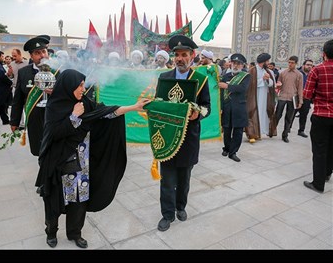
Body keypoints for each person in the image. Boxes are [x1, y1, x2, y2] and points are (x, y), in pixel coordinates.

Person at [35, 69, 150, 248]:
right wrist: (73, 116)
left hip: (81, 166)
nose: (83, 88)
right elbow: (53, 134)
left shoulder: (85, 103)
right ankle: (51, 232)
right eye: (79, 85)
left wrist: (133, 107)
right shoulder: (54, 106)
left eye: (83, 84)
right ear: (68, 85)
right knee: (53, 201)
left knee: (79, 200)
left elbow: (106, 113)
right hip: (58, 164)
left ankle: (75, 233)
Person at [156, 35, 211, 232]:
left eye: (184, 55)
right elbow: (158, 103)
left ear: (192, 56)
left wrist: (198, 114)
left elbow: (207, 107)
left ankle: (181, 207)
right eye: (177, 55)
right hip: (168, 136)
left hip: (189, 138)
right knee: (167, 180)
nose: (180, 58)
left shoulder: (201, 80)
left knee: (184, 179)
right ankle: (167, 214)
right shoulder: (164, 78)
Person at [10, 36, 50, 156]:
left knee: (54, 151)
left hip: (54, 119)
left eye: (44, 51)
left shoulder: (58, 71)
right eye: (37, 53)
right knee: (39, 151)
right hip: (35, 120)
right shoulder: (24, 73)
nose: (42, 55)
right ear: (31, 56)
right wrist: (14, 121)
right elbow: (17, 99)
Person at [303, 39, 333, 194]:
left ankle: (318, 183)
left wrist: (317, 97)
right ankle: (327, 173)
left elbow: (306, 94)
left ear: (324, 54)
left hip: (321, 115)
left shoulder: (317, 70)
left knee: (320, 149)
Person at [218, 53, 251, 162]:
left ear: (242, 66)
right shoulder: (225, 76)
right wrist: (221, 107)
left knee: (238, 131)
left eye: (239, 64)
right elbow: (221, 94)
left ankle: (233, 152)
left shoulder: (246, 76)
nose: (236, 66)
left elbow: (242, 88)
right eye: (234, 63)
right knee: (226, 130)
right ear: (230, 64)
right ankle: (226, 148)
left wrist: (227, 86)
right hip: (227, 108)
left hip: (239, 108)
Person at [245, 53, 277, 143]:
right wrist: (262, 79)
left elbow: (272, 84)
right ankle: (251, 134)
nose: (268, 63)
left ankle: (258, 133)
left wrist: (267, 79)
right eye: (267, 61)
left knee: (262, 115)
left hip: (265, 98)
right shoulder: (251, 71)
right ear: (263, 62)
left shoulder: (269, 72)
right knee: (252, 114)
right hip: (253, 97)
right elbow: (248, 84)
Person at [275, 56, 303, 143]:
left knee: (289, 117)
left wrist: (300, 101)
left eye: (292, 63)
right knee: (277, 115)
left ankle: (285, 135)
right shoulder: (282, 73)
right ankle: (272, 131)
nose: (290, 64)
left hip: (292, 98)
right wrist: (277, 86)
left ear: (296, 63)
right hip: (282, 96)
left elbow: (300, 88)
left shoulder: (299, 75)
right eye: (289, 62)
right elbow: (278, 85)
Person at [295, 59, 314, 138]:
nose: (309, 66)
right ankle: (287, 129)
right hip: (296, 96)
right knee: (292, 114)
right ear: (303, 65)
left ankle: (301, 130)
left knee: (304, 115)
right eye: (308, 64)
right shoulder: (298, 73)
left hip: (306, 98)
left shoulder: (312, 74)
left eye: (311, 65)